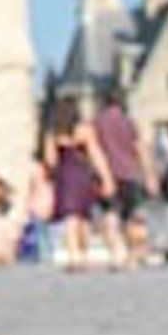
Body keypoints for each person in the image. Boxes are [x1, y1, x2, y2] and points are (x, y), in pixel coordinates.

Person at [42, 97, 117, 271]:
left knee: (70, 218)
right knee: (83, 217)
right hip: (82, 175)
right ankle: (83, 252)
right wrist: (106, 178)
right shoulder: (84, 130)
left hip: (65, 176)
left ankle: (74, 254)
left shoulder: (54, 133)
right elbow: (96, 154)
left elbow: (50, 160)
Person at [92, 86, 152, 267]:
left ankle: (116, 253)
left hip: (107, 175)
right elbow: (141, 149)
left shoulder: (97, 122)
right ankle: (134, 254)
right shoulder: (128, 122)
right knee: (131, 216)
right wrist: (149, 174)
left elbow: (93, 150)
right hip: (130, 173)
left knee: (110, 214)